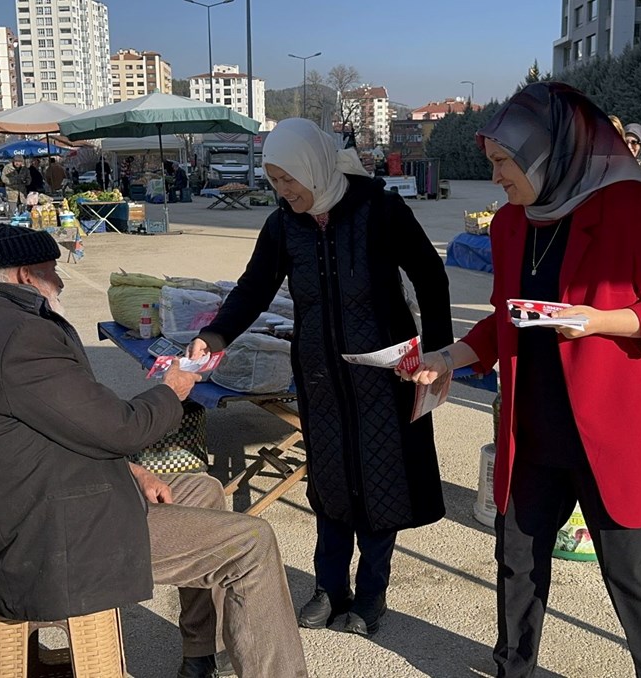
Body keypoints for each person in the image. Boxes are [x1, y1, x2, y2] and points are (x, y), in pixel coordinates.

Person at [403, 83, 641, 678]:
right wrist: (450, 356)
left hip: (612, 431)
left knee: (632, 575)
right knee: (516, 563)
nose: (496, 179)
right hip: (533, 427)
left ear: (546, 154)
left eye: (503, 163)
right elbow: (506, 316)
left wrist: (597, 322)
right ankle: (514, 669)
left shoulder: (626, 206)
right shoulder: (511, 224)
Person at [0, 225, 308, 678]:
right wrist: (173, 389)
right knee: (252, 542)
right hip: (50, 535)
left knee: (201, 488)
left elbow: (69, 426)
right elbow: (123, 428)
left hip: (44, 496)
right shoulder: (20, 341)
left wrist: (133, 472)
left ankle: (204, 655)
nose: (62, 282)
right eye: (53, 271)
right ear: (27, 275)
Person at [187, 118, 453, 637]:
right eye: (275, 181)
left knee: (380, 484)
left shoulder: (379, 208)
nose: (284, 192)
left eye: (290, 179)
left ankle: (371, 595)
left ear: (316, 166)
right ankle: (330, 587)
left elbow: (430, 273)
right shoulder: (284, 225)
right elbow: (253, 289)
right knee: (330, 483)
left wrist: (438, 353)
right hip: (321, 378)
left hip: (385, 377)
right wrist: (216, 336)